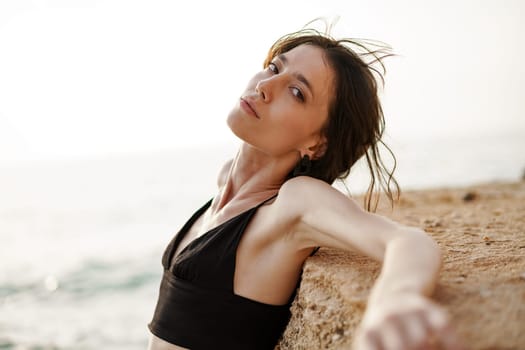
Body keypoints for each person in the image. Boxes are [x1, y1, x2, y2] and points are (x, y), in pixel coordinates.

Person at [147, 22, 462, 350]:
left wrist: (395, 301)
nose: (267, 85)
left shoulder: (293, 203)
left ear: (318, 143)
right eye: (274, 67)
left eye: (297, 92)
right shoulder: (225, 179)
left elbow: (406, 240)